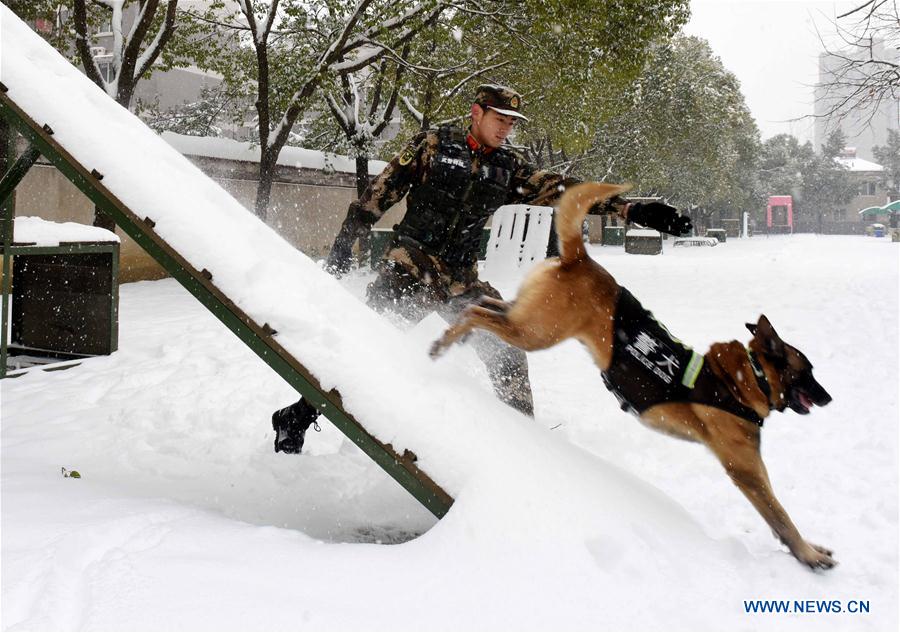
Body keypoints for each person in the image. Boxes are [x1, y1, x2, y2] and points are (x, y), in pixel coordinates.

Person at [271, 84, 692, 454]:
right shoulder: (433, 145)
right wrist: (349, 236)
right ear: (477, 113)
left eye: (511, 122)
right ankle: (295, 418)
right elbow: (382, 190)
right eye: (500, 119)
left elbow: (563, 191)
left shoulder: (507, 169)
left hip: (460, 281)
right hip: (409, 269)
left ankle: (521, 445)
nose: (506, 128)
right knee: (363, 352)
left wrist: (630, 208)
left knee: (508, 349)